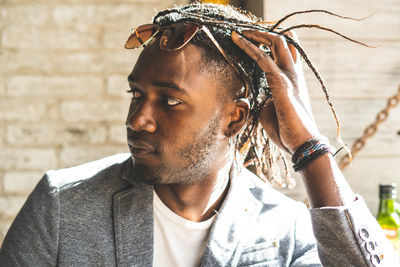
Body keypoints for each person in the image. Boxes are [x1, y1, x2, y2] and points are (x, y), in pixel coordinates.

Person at [0, 3, 398, 266]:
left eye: (170, 102)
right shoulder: (62, 206)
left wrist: (310, 149)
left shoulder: (287, 230)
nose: (138, 119)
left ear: (235, 118)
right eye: (137, 94)